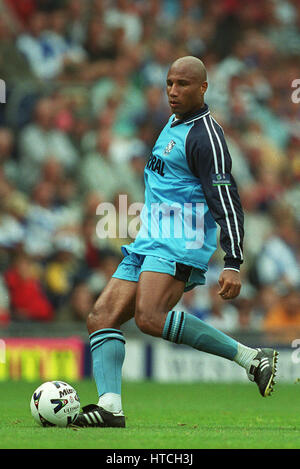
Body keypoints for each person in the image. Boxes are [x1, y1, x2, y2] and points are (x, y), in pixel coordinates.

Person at [74, 56, 278, 428]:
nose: (173, 91)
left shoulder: (207, 138)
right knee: (100, 317)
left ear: (203, 88)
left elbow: (227, 201)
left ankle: (249, 358)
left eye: (183, 84)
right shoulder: (171, 122)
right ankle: (110, 408)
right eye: (169, 83)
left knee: (149, 317)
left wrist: (232, 260)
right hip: (149, 239)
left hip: (181, 240)